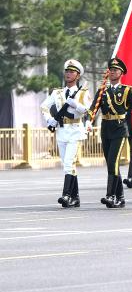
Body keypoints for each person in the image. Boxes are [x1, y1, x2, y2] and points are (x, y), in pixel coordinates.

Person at [41, 59, 93, 208]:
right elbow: (44, 106)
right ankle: (75, 198)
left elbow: (89, 111)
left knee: (69, 163)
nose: (68, 74)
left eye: (72, 72)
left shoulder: (83, 93)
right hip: (61, 131)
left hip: (75, 131)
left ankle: (66, 195)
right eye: (67, 71)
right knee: (67, 164)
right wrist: (50, 119)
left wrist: (75, 104)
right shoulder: (57, 92)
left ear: (78, 75)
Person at [91, 58, 132, 208]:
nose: (112, 72)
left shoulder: (127, 90)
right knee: (112, 164)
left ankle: (111, 195)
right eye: (111, 70)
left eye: (115, 70)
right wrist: (87, 122)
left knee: (113, 162)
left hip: (120, 128)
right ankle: (120, 197)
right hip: (106, 128)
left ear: (121, 73)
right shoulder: (102, 91)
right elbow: (93, 109)